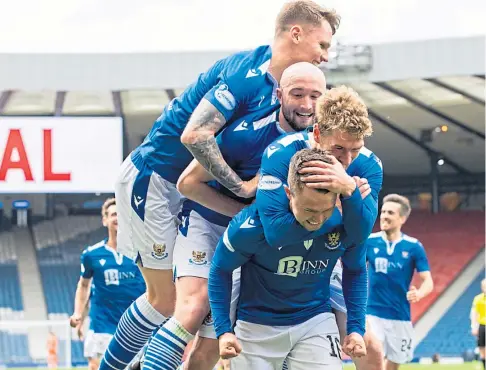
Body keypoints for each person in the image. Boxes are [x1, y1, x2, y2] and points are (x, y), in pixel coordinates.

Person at [101, 1, 341, 369]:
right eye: (322, 45)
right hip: (156, 179)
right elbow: (195, 135)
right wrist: (244, 189)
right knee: (168, 302)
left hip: (190, 193)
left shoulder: (280, 86)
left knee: (196, 315)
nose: (326, 56)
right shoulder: (248, 74)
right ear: (296, 33)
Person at [156, 62, 326, 370]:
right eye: (297, 94)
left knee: (212, 349)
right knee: (194, 305)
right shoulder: (246, 135)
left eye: (316, 96)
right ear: (278, 95)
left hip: (254, 242)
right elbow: (188, 184)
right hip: (208, 224)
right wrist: (245, 198)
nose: (306, 104)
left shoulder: (324, 144)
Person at [255, 84, 384, 369]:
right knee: (211, 343)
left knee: (371, 348)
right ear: (316, 134)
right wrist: (347, 206)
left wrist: (346, 189)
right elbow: (276, 232)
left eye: (355, 149)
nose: (346, 160)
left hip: (327, 258)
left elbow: (360, 234)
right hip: (267, 263)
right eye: (338, 148)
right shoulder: (280, 154)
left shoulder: (369, 166)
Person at [208, 148, 368, 369]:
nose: (318, 220)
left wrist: (356, 329)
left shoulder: (346, 223)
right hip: (256, 326)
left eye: (326, 210)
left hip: (315, 320)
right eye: (309, 210)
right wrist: (224, 331)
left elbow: (356, 269)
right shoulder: (249, 228)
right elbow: (220, 270)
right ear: (288, 193)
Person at [69, 198, 146, 370]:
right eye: (113, 214)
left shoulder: (141, 251)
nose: (117, 218)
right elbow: (83, 285)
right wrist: (78, 313)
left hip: (136, 326)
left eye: (121, 214)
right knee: (97, 366)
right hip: (102, 324)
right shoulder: (91, 255)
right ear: (105, 220)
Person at [366, 194, 434, 370]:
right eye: (383, 211)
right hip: (372, 313)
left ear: (402, 218)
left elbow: (428, 281)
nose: (384, 216)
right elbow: (352, 270)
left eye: (390, 212)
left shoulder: (413, 246)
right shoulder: (369, 241)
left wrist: (419, 293)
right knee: (375, 358)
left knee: (394, 362)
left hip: (400, 315)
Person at [471, 279, 486, 369]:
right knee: (481, 346)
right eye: (484, 287)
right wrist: (474, 326)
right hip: (482, 326)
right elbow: (474, 313)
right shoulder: (478, 299)